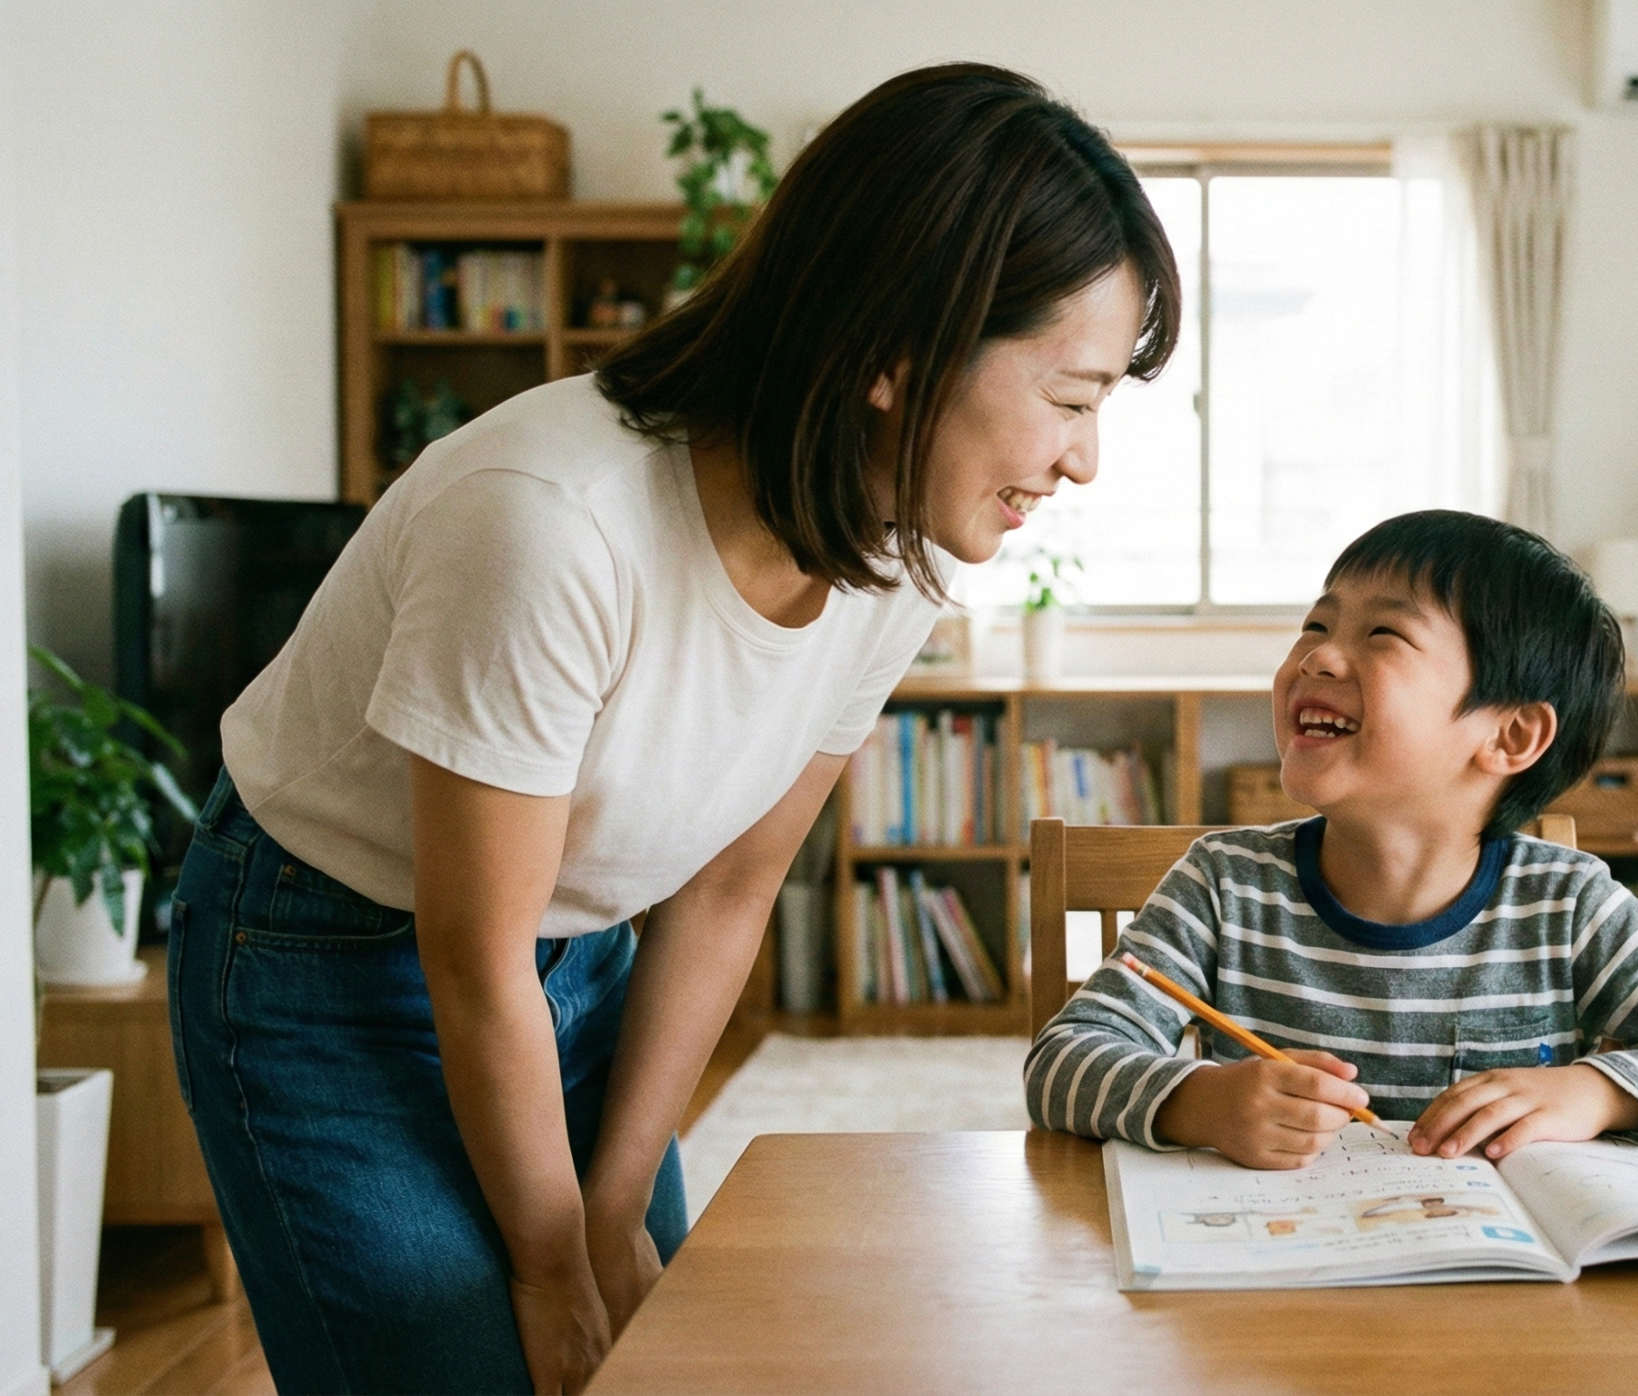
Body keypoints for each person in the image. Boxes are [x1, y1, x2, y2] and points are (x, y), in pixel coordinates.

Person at [171, 64, 1178, 1395]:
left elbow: (727, 889)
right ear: (897, 352)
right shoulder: (550, 522)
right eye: (1071, 397)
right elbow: (472, 960)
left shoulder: (895, 556)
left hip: (574, 947)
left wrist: (611, 1203)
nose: (1086, 460)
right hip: (323, 951)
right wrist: (549, 1269)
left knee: (646, 1343)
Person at [1025, 511, 1638, 1169]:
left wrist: (1594, 1092)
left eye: (1383, 635)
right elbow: (1061, 1065)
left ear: (1510, 735)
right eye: (1318, 623)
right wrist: (1197, 1104)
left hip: (1495, 1308)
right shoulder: (1224, 886)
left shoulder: (1567, 904)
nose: (1317, 655)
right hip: (1271, 1289)